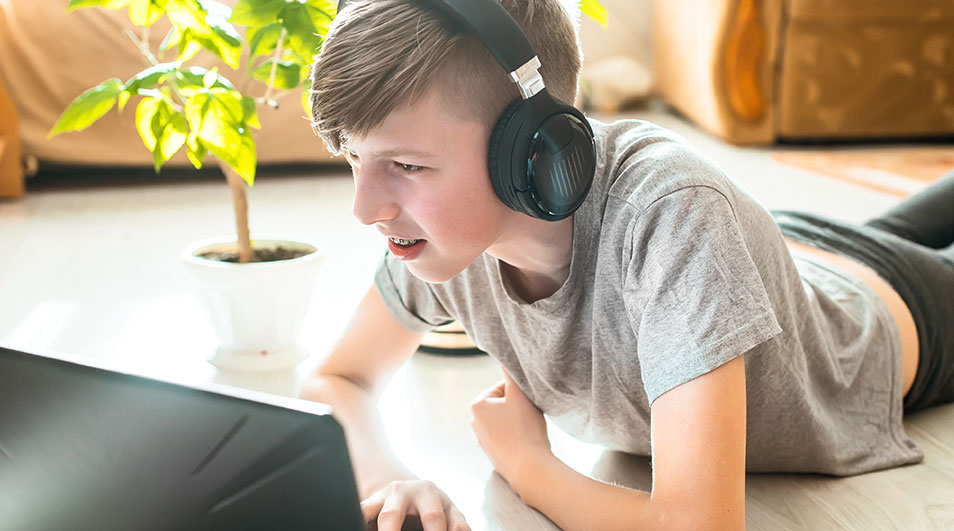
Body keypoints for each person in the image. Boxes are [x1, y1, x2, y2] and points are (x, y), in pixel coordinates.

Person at [299, 0, 954, 529]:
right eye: (355, 157)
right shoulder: (443, 236)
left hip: (882, 318)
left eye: (406, 165)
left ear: (528, 151)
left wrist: (529, 466)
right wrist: (397, 488)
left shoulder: (673, 212)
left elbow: (700, 525)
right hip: (785, 257)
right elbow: (337, 380)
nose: (365, 208)